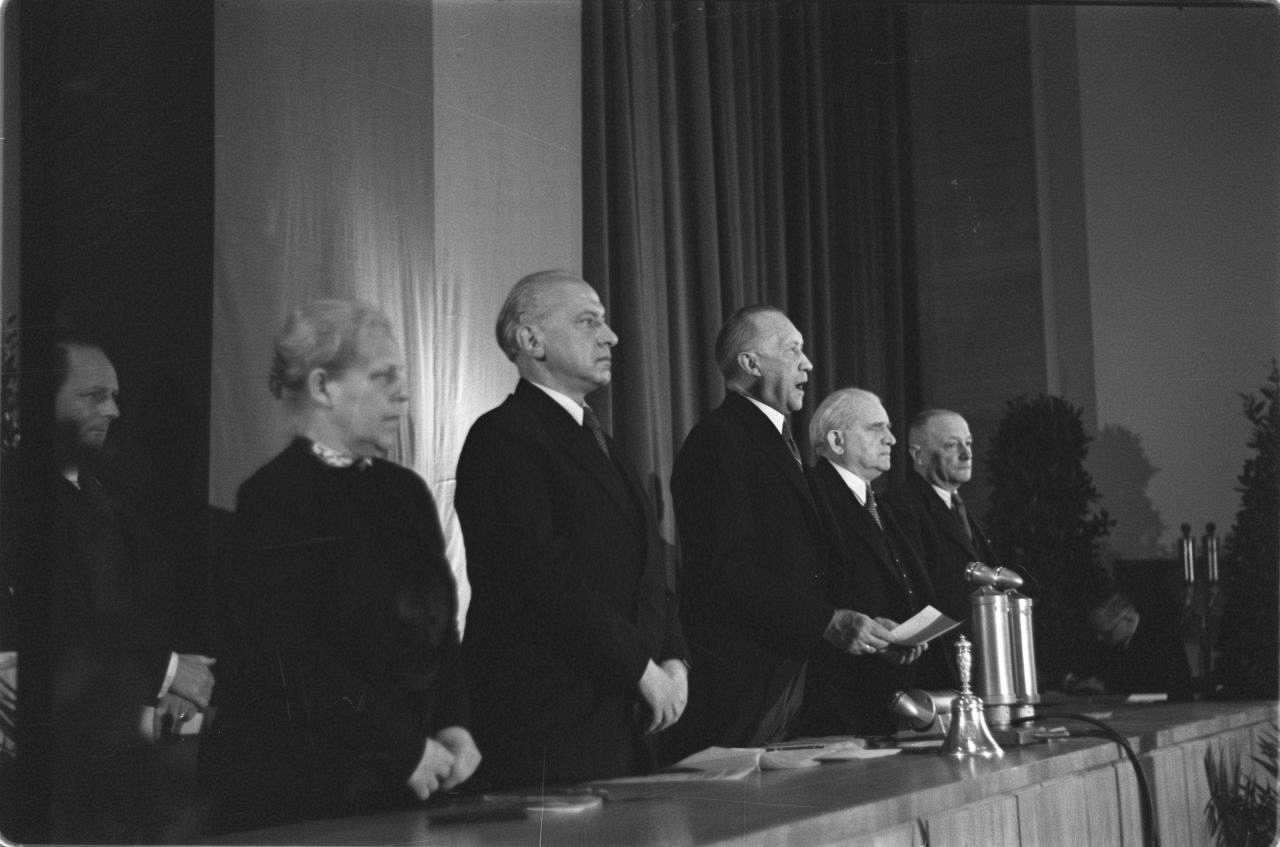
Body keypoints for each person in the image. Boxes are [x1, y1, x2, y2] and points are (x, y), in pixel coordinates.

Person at [201, 299, 477, 832]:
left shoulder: (407, 492)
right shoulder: (273, 498)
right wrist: (401, 750)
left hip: (410, 781)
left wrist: (454, 724)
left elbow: (441, 629)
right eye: (382, 377)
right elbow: (292, 658)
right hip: (308, 793)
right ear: (324, 387)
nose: (402, 392)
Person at [455, 270, 688, 788]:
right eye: (589, 322)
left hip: (624, 719)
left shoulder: (602, 441)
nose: (611, 336)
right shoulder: (503, 438)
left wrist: (674, 658)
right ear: (531, 340)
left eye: (604, 322)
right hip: (551, 726)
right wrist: (642, 670)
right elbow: (540, 579)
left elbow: (649, 563)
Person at [6, 335, 216, 843]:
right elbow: (51, 624)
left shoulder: (112, 492)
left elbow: (143, 603)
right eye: (93, 395)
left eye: (115, 395)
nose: (114, 410)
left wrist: (166, 687)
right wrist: (167, 672)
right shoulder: (15, 496)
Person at [665, 306, 887, 760]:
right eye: (793, 350)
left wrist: (865, 625)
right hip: (745, 692)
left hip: (794, 684)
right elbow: (726, 570)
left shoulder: (782, 445)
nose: (808, 363)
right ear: (750, 364)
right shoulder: (718, 441)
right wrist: (825, 622)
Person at [795, 388, 938, 736]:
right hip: (837, 701)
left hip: (893, 693)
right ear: (837, 440)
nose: (891, 439)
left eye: (889, 428)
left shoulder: (883, 505)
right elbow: (809, 592)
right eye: (876, 428)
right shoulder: (811, 494)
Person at [888, 408, 998, 622]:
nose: (967, 454)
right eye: (951, 445)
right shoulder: (902, 507)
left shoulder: (958, 506)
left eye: (968, 442)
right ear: (918, 455)